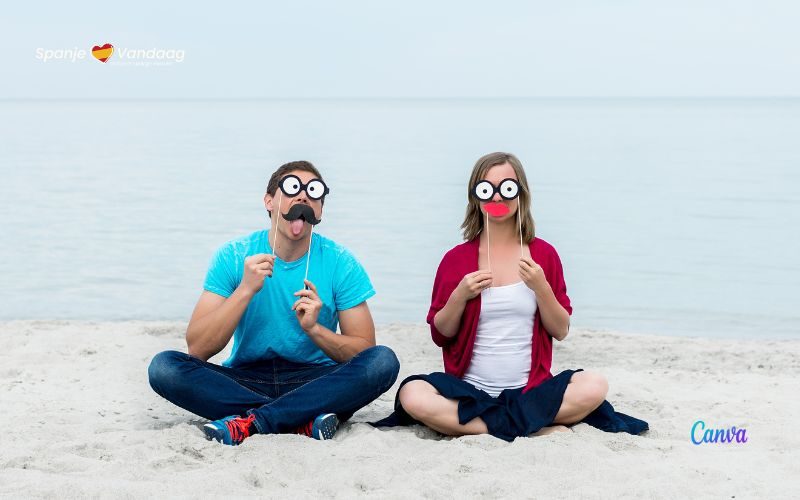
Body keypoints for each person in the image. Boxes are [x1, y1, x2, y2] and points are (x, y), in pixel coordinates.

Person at [375, 152, 647, 441]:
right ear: (475, 197)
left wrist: (541, 288)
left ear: (521, 194)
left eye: (507, 188)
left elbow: (561, 330)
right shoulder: (455, 260)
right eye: (486, 189)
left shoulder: (544, 255)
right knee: (412, 394)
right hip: (470, 393)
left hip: (531, 392)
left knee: (594, 385)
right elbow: (441, 335)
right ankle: (531, 426)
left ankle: (490, 425)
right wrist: (460, 295)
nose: (497, 198)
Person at [148, 160, 400, 445]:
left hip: (316, 379)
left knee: (383, 361)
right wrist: (245, 290)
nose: (303, 196)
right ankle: (299, 418)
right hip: (246, 378)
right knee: (164, 367)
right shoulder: (233, 256)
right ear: (269, 201)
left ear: (320, 210)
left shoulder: (341, 262)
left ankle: (254, 421)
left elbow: (364, 351)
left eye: (313, 192)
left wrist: (315, 330)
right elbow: (198, 349)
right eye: (293, 188)